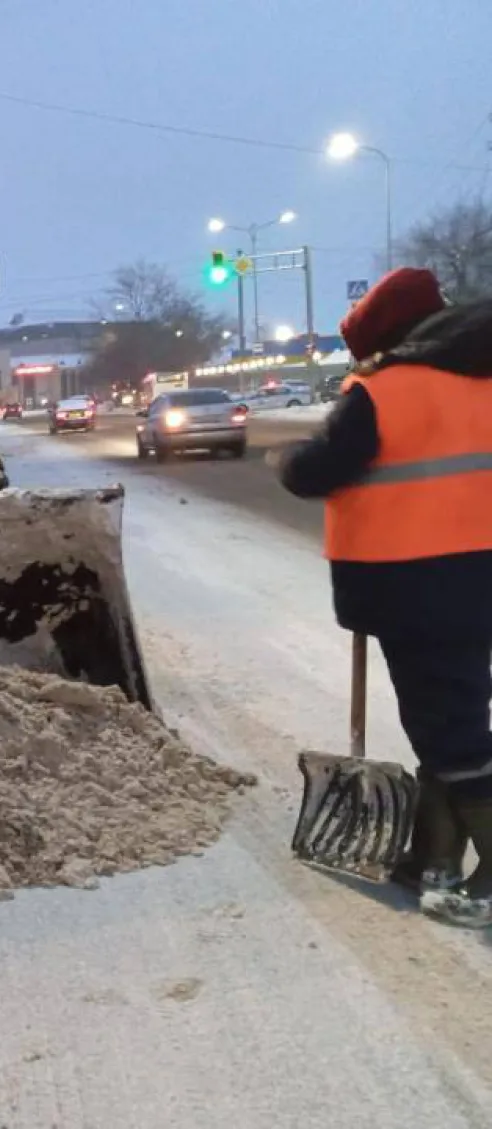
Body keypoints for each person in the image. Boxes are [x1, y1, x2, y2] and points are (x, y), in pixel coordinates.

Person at [273, 267, 492, 928]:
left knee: (449, 726)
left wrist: (288, 462)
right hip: (473, 575)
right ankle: (435, 855)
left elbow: (320, 470)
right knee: (450, 712)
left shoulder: (382, 390)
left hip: (417, 580)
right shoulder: (479, 379)